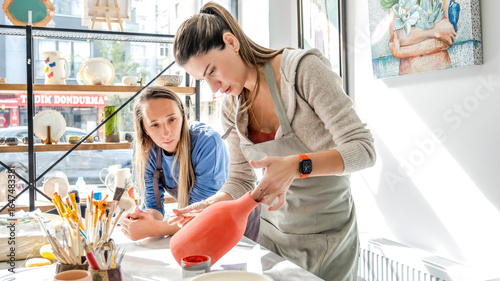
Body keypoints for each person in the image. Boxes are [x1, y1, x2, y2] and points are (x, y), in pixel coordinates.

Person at [171, 2, 376, 281]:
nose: (214, 87)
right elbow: (241, 180)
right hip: (272, 239)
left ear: (230, 42)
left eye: (212, 71)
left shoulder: (302, 71)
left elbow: (363, 149)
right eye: (202, 80)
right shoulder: (231, 108)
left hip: (328, 239)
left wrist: (297, 165)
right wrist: (214, 204)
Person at [120, 86, 229, 241]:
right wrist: (142, 220)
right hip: (200, 227)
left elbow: (200, 214)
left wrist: (154, 228)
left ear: (183, 117)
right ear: (145, 129)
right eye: (155, 125)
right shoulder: (145, 150)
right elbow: (153, 207)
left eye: (172, 119)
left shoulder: (208, 143)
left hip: (236, 223)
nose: (166, 133)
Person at [388, 0, 456, 75]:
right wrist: (435, 30)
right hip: (408, 76)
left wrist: (401, 51)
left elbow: (446, 40)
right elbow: (397, 38)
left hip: (442, 70)